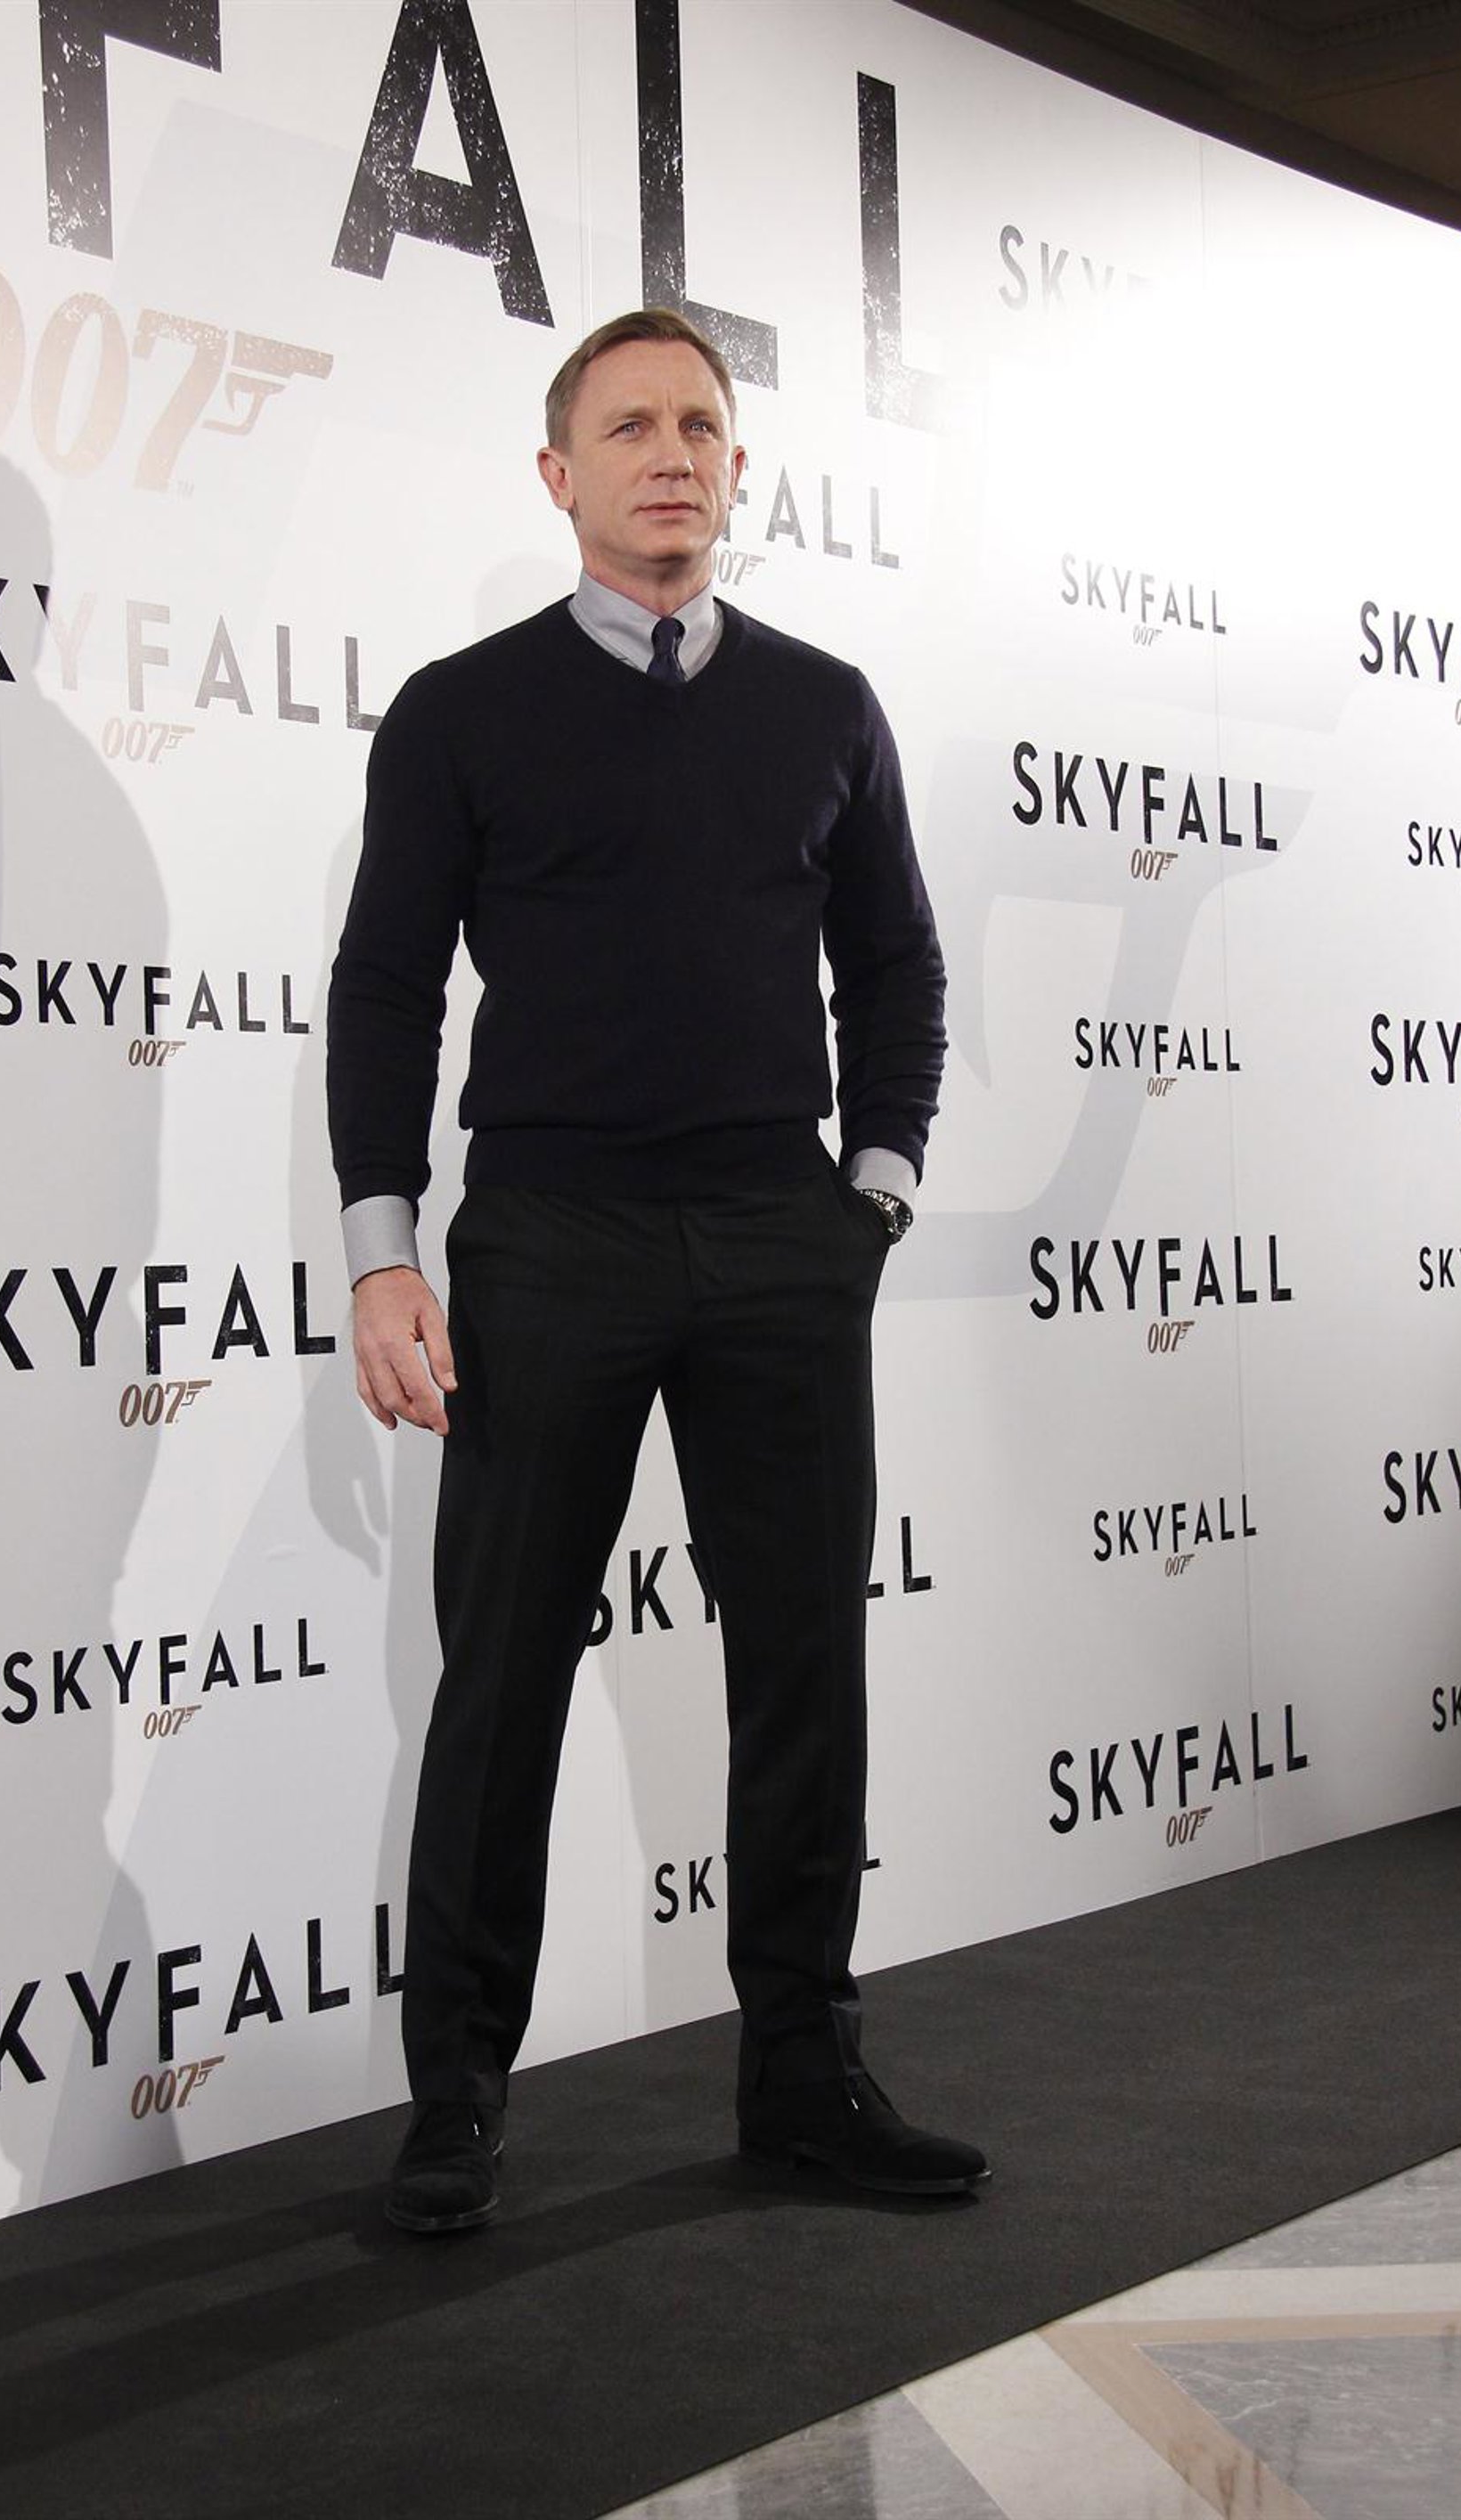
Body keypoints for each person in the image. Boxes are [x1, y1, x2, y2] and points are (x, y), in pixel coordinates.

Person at [327, 307, 988, 2232]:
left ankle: (804, 2073)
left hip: (781, 1235)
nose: (672, 451)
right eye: (629, 426)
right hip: (548, 1238)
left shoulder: (827, 706)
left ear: (737, 467)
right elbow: (385, 984)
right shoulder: (459, 711)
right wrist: (381, 1248)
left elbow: (898, 968)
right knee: (502, 1679)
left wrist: (870, 1196)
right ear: (561, 475)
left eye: (700, 422)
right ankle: (457, 2098)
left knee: (802, 1670)